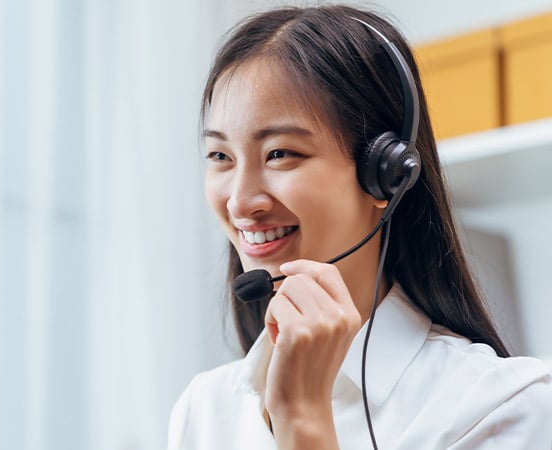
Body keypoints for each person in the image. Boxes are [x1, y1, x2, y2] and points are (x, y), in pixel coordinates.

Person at [167, 5, 552, 450]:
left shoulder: (502, 407)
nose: (239, 200)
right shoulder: (204, 408)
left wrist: (303, 416)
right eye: (220, 157)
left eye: (280, 154)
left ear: (385, 175)